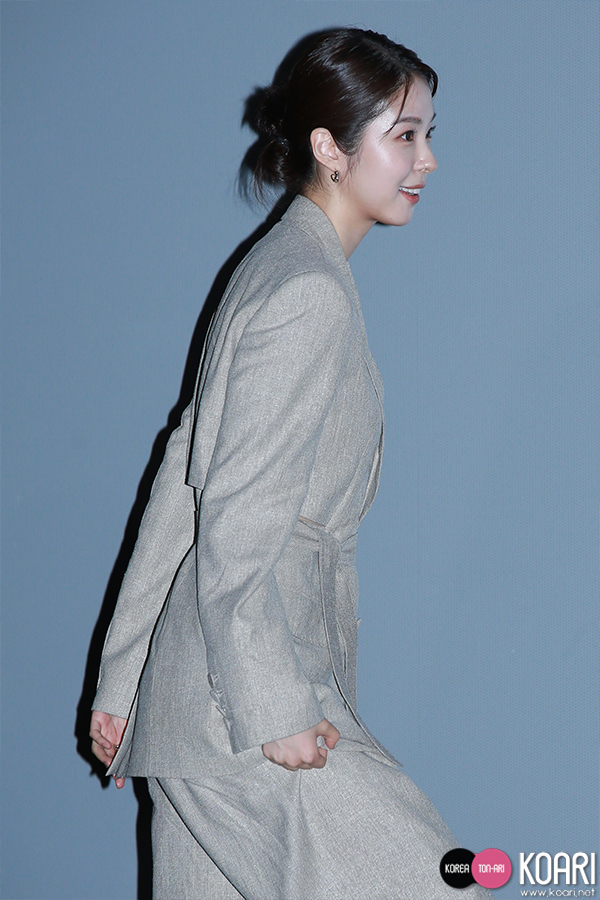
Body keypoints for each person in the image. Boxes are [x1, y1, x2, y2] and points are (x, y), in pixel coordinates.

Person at [90, 27, 493, 900]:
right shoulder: (306, 289)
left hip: (198, 717)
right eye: (405, 135)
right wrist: (271, 705)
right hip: (244, 714)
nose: (427, 159)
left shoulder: (271, 268)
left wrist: (124, 679)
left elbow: (184, 483)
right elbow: (233, 518)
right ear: (330, 148)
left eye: (429, 134)